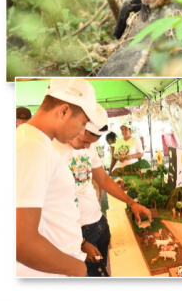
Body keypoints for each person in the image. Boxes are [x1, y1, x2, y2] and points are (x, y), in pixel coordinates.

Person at [53, 105, 152, 276]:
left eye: (90, 144)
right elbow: (49, 207)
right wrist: (81, 241)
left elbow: (104, 179)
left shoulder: (88, 146)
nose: (86, 147)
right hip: (77, 232)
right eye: (84, 141)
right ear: (77, 126)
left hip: (98, 222)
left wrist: (131, 202)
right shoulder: (50, 150)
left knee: (103, 270)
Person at [16, 78, 100, 277]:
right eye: (82, 123)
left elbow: (55, 212)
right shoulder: (32, 147)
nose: (81, 131)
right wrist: (75, 268)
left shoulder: (39, 144)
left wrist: (79, 246)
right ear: (63, 111)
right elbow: (20, 241)